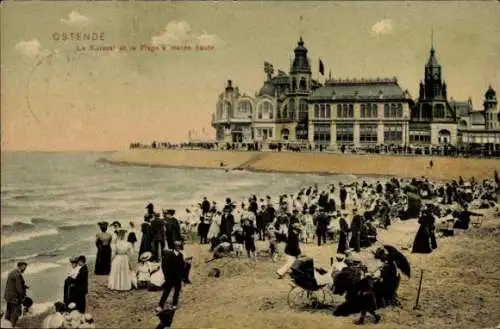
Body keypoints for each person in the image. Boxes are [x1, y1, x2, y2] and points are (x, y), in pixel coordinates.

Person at [158, 241, 185, 311]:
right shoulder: (169, 254)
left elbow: (182, 266)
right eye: (177, 246)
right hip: (170, 277)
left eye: (179, 246)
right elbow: (164, 266)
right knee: (166, 291)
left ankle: (174, 304)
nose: (178, 248)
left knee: (177, 291)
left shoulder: (181, 255)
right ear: (174, 247)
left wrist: (181, 277)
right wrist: (166, 276)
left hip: (178, 277)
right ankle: (160, 305)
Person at [4, 261, 28, 327]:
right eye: (24, 267)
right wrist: (23, 296)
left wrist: (24, 286)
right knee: (16, 313)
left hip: (8, 296)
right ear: (21, 266)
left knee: (9, 311)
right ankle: (12, 326)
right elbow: (19, 289)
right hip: (14, 297)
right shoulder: (17, 275)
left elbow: (13, 284)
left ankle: (6, 325)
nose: (25, 269)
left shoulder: (12, 272)